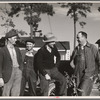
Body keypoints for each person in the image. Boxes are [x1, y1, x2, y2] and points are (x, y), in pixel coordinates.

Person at [70, 31, 100, 96]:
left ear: (84, 38)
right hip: (77, 75)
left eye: (78, 38)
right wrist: (73, 69)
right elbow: (71, 61)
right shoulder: (76, 49)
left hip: (88, 75)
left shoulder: (92, 47)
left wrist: (97, 74)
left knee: (82, 93)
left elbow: (98, 60)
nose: (77, 39)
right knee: (78, 93)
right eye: (77, 38)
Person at [0, 29, 23, 96]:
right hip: (7, 73)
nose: (16, 40)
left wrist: (20, 70)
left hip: (18, 71)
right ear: (9, 39)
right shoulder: (2, 50)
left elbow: (20, 61)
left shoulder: (17, 49)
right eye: (14, 38)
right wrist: (0, 77)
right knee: (5, 93)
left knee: (16, 92)